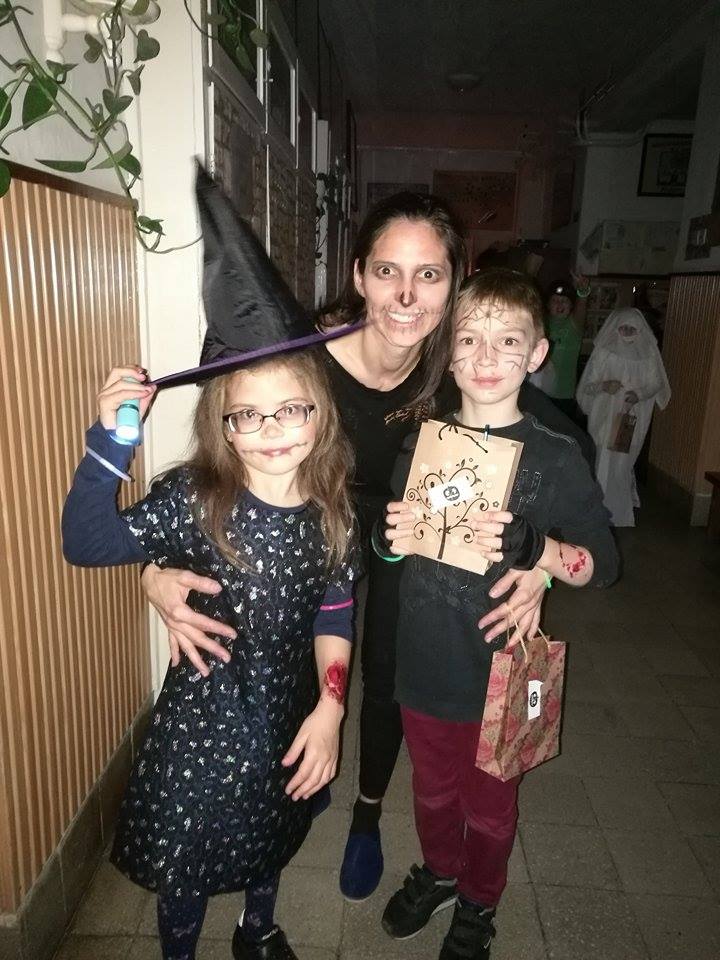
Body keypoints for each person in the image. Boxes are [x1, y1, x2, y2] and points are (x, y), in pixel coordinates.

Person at [139, 198, 595, 904]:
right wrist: (155, 568)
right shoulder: (305, 355)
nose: (407, 296)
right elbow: (219, 453)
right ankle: (292, 781)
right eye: (387, 271)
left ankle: (367, 813)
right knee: (284, 659)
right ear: (359, 275)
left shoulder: (456, 364)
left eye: (429, 275)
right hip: (303, 530)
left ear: (454, 282)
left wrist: (543, 570)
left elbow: (549, 457)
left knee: (385, 669)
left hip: (399, 542)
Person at [61, 168, 360, 960]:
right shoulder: (197, 499)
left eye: (290, 408)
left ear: (319, 410)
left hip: (289, 710)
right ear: (221, 423)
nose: (272, 429)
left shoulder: (334, 504)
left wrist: (330, 708)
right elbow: (87, 544)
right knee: (189, 863)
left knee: (273, 829)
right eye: (246, 415)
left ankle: (257, 930)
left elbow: (336, 605)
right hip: (203, 730)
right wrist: (112, 442)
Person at [379, 268, 619, 960]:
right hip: (423, 661)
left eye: (507, 340)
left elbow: (603, 565)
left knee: (489, 807)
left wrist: (538, 551)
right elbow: (391, 548)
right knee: (431, 792)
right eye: (469, 339)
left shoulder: (556, 456)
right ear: (447, 351)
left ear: (536, 353)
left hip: (501, 673)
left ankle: (479, 900)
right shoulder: (419, 443)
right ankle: (440, 871)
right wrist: (387, 541)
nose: (486, 357)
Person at [576, 306, 671, 527]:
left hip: (629, 417)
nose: (627, 332)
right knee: (601, 457)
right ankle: (596, 510)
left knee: (621, 462)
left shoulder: (647, 354)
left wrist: (638, 394)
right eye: (623, 327)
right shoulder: (604, 352)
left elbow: (655, 383)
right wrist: (603, 386)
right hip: (603, 415)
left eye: (632, 328)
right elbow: (588, 384)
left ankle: (618, 513)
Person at [529, 276, 590, 419]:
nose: (560, 304)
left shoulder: (574, 327)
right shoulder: (541, 324)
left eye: (564, 301)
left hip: (563, 396)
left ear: (571, 305)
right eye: (555, 300)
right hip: (538, 392)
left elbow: (582, 305)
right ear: (548, 304)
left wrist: (582, 292)